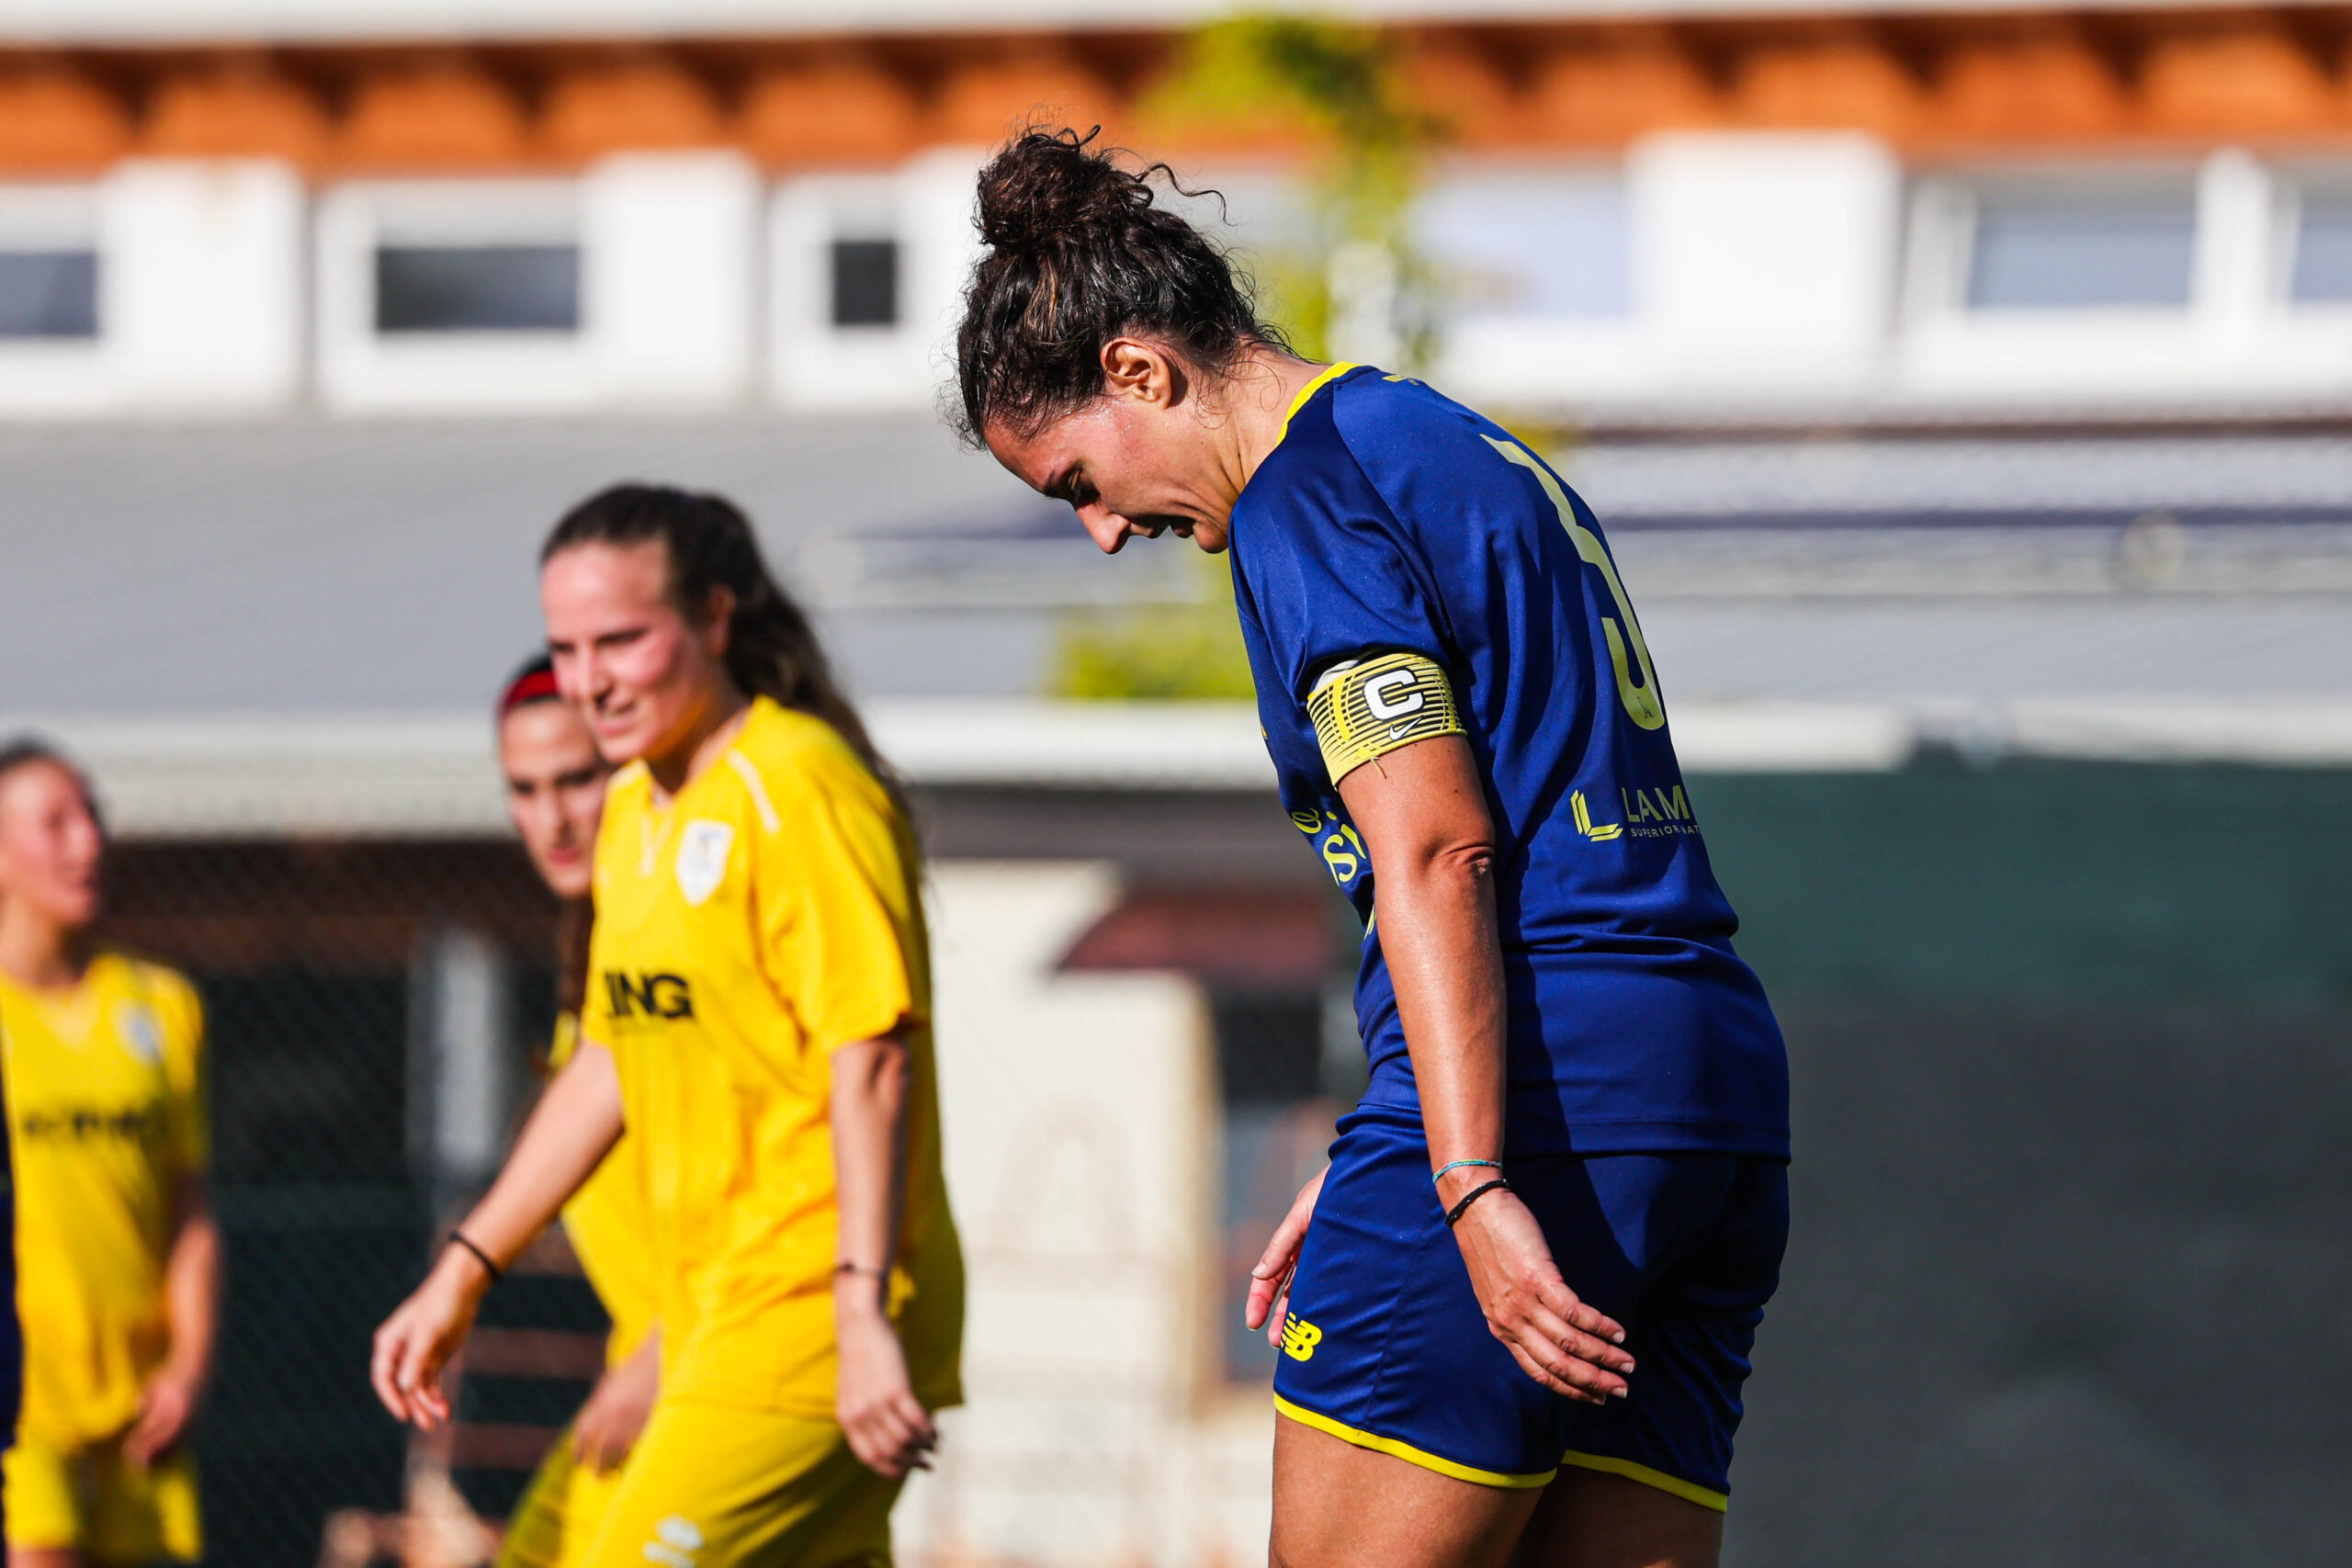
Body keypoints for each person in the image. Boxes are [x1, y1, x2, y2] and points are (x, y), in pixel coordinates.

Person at [956, 130, 1791, 1568]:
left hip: (1540, 1087)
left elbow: (1440, 850)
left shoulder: (1302, 494)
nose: (1098, 531)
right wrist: (1380, 1150)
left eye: (1077, 479)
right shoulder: (1452, 442)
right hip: (1704, 1088)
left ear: (1141, 370)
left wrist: (1456, 1172)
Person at [372, 486, 963, 1568]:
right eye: (567, 648)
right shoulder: (640, 815)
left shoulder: (797, 784)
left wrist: (860, 1308)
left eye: (622, 640)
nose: (591, 679)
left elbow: (871, 1056)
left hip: (807, 1314)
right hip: (711, 1314)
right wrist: (463, 1270)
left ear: (715, 621)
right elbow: (607, 1060)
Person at [0, 741, 218, 1568]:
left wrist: (188, 1367)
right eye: (54, 822)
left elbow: (190, 1212)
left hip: (141, 1412)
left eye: (92, 816)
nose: (87, 842)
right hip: (23, 1409)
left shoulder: (161, 1008)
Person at [487, 658, 661, 1568]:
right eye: (524, 789)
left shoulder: (673, 931)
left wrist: (665, 1359)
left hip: (728, 1362)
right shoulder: (591, 949)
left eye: (576, 780)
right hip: (647, 1373)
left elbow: (787, 1181)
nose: (551, 818)